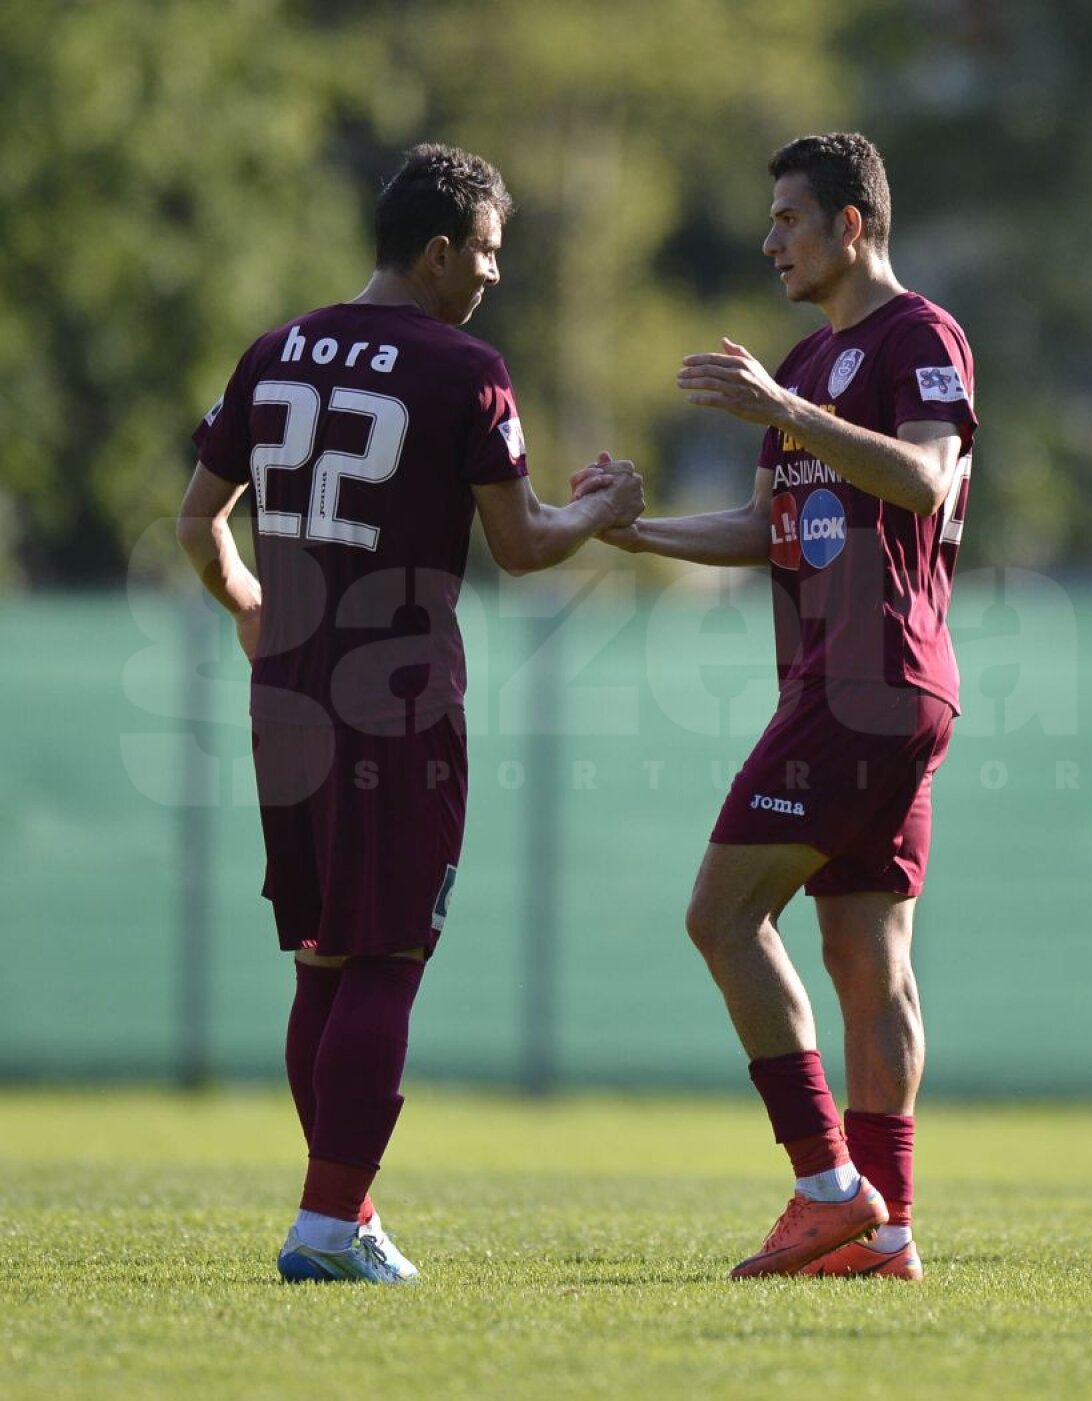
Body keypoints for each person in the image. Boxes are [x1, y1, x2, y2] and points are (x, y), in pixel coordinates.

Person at [177, 143, 643, 1285]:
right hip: (396, 699)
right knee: (385, 958)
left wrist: (246, 602)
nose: (492, 275)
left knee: (322, 959)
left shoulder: (272, 348)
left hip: (284, 690)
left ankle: (346, 1212)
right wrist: (601, 509)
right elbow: (525, 546)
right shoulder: (464, 366)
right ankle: (329, 1227)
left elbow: (199, 524)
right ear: (438, 251)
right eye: (486, 252)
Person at [581, 132, 975, 1280]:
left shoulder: (919, 335)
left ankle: (826, 1187)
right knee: (865, 955)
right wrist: (631, 529)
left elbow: (925, 476)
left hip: (873, 677)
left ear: (852, 226)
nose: (770, 242)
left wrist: (783, 410)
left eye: (790, 220)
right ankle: (882, 1231)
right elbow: (766, 530)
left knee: (720, 915)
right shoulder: (801, 366)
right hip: (853, 683)